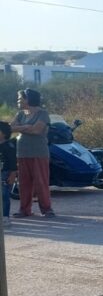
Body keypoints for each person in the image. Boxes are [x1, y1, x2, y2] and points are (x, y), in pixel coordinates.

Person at [10, 88, 54, 217]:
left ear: (28, 99)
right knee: (24, 183)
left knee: (41, 182)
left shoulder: (43, 114)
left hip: (39, 153)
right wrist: (25, 127)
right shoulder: (20, 114)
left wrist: (21, 128)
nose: (18, 101)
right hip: (22, 153)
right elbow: (10, 128)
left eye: (20, 98)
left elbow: (36, 130)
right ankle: (24, 210)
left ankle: (47, 209)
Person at [0, 122, 15, 225]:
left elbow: (13, 162)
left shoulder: (9, 146)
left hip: (5, 173)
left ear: (4, 133)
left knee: (4, 195)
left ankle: (5, 217)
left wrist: (13, 174)